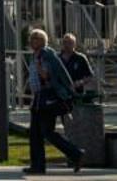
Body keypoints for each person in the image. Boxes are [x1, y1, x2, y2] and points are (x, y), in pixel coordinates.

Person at [25, 28, 86, 174]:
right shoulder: (36, 55)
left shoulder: (45, 55)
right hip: (39, 98)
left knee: (46, 132)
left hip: (47, 98)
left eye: (35, 38)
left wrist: (41, 70)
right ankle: (37, 166)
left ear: (42, 41)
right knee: (35, 133)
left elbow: (47, 76)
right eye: (32, 38)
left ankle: (76, 153)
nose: (32, 41)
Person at [59, 33, 97, 101]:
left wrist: (80, 82)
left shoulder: (80, 58)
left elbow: (90, 76)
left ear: (74, 44)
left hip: (76, 93)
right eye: (65, 42)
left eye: (70, 43)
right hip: (60, 93)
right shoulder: (57, 58)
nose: (67, 45)